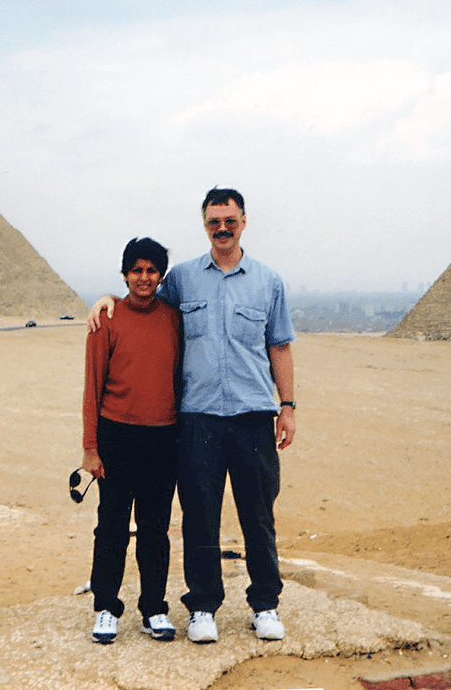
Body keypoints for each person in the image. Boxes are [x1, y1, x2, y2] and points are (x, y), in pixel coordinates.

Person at [88, 187, 295, 644]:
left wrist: (288, 406)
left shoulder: (269, 281)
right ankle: (203, 606)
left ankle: (265, 604)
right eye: (214, 222)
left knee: (258, 515)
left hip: (253, 416)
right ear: (204, 225)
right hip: (198, 420)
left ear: (243, 221)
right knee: (200, 516)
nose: (222, 228)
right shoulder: (183, 279)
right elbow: (141, 298)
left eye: (230, 220)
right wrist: (104, 298)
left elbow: (280, 346)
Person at [81, 237, 182, 645]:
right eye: (136, 270)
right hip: (117, 435)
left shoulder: (174, 319)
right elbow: (92, 386)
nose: (144, 278)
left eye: (151, 270)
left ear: (161, 275)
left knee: (156, 529)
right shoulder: (105, 320)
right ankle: (106, 607)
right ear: (124, 275)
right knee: (112, 527)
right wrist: (90, 448)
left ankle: (154, 608)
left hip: (163, 436)